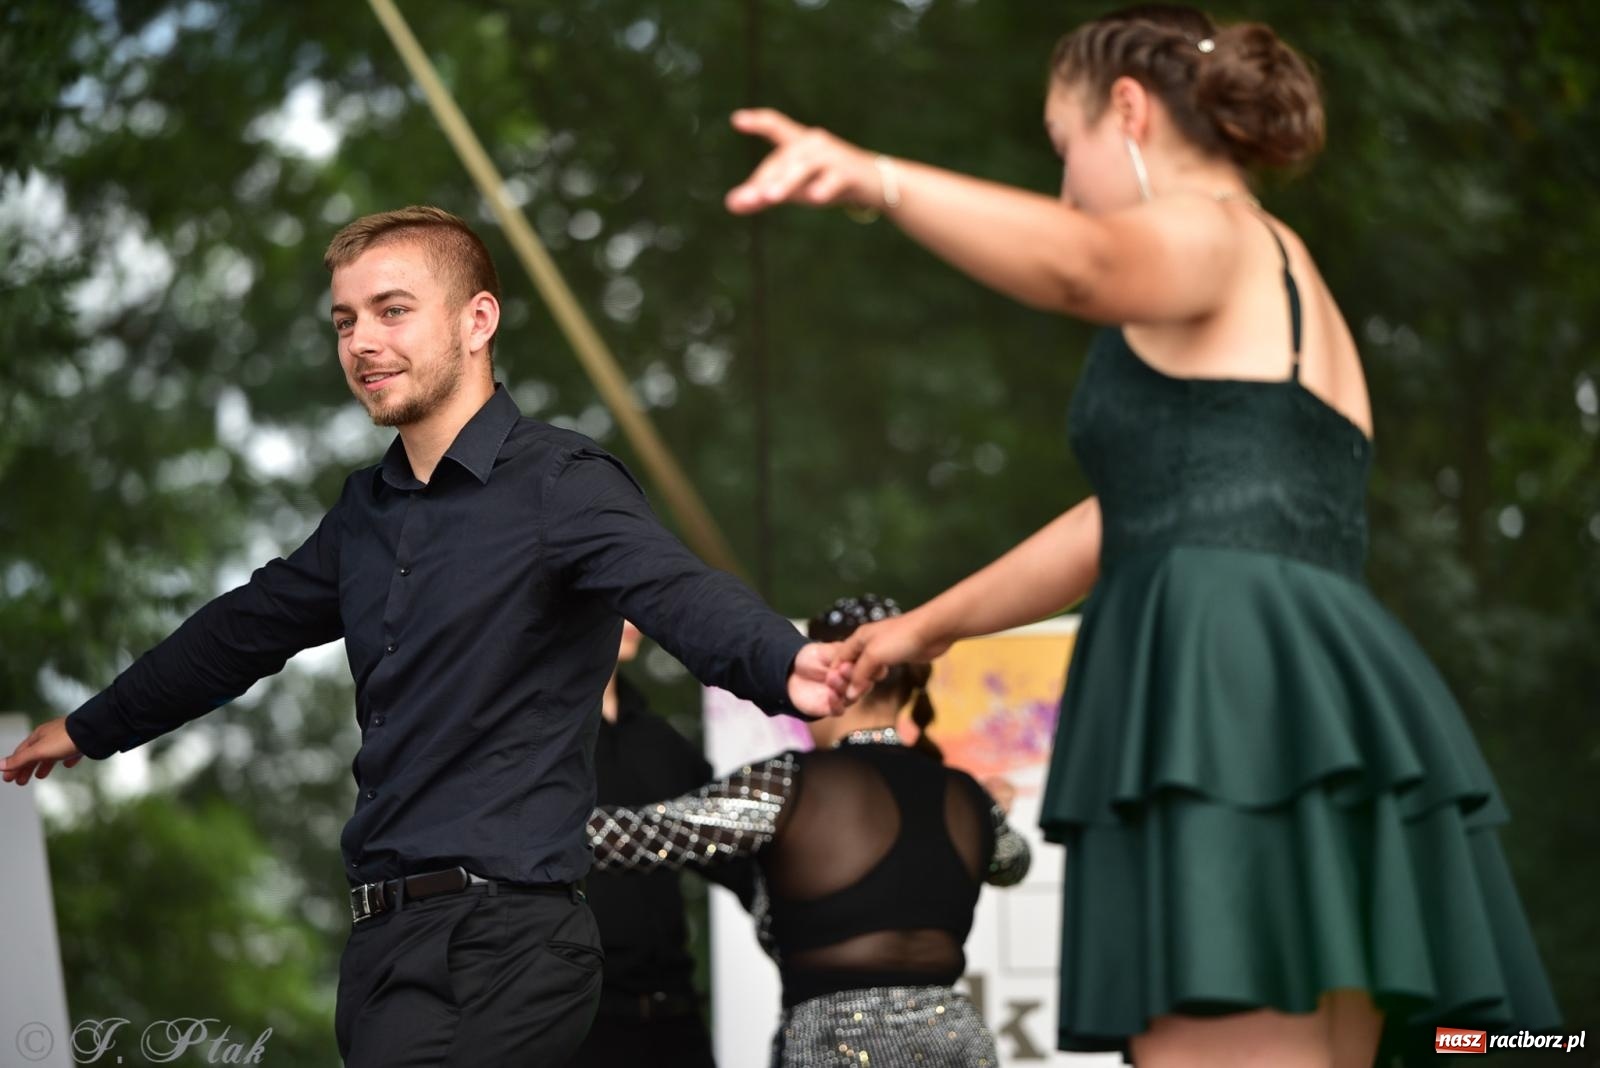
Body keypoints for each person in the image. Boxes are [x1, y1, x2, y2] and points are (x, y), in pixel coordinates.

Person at [720, 5, 1561, 1066]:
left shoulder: (1216, 232)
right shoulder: (1288, 304)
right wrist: (923, 629)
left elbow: (1081, 264)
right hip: (1317, 690)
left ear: (1127, 112)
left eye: (1064, 149)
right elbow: (1123, 518)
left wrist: (875, 178)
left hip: (1228, 693)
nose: (1068, 187)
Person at [0, 205, 850, 1067]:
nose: (362, 341)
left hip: (509, 937)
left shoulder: (560, 482)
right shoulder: (362, 513)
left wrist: (786, 661)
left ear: (477, 320)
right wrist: (92, 725)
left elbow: (675, 592)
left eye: (392, 310)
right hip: (382, 943)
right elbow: (241, 630)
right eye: (345, 320)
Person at [587, 593, 1032, 1068]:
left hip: (827, 1046)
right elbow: (1013, 862)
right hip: (957, 1044)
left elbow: (629, 840)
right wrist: (987, 810)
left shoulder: (787, 786)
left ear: (832, 673)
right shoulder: (967, 795)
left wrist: (517, 824)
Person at [565, 621, 752, 1068]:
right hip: (573, 1022)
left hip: (675, 1020)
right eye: (613, 601)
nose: (631, 620)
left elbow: (742, 859)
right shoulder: (533, 741)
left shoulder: (661, 742)